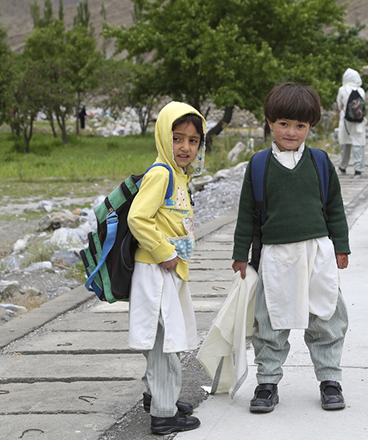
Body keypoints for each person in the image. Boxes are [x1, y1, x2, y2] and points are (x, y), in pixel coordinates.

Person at [232, 82, 351, 414]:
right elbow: (246, 216)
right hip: (275, 257)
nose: (291, 131)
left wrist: (341, 246)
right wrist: (241, 254)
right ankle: (267, 383)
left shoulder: (320, 163)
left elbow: (335, 208)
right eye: (284, 123)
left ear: (310, 126)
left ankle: (330, 380)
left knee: (327, 317)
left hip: (317, 254)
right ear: (270, 121)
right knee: (269, 322)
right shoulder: (258, 166)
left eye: (300, 125)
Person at [127, 101, 206, 435]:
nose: (185, 147)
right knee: (164, 342)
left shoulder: (178, 175)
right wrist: (163, 251)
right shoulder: (161, 174)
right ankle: (163, 413)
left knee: (161, 338)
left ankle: (158, 396)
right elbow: (137, 218)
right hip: (157, 271)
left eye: (192, 140)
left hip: (167, 271)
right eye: (177, 138)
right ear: (163, 137)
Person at [336, 68, 367, 178]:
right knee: (358, 144)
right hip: (359, 122)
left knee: (345, 142)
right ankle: (358, 169)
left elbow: (339, 104)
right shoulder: (361, 91)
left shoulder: (342, 90)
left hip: (345, 121)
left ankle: (343, 166)